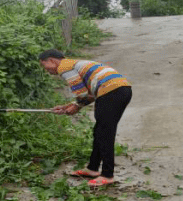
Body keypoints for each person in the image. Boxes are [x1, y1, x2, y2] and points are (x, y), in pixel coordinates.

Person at [38, 49, 132, 187]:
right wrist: (67, 106)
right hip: (118, 90)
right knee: (99, 132)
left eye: (44, 65)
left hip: (112, 92)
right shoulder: (74, 64)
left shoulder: (64, 66)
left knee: (105, 133)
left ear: (52, 60)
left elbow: (81, 94)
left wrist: (76, 106)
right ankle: (92, 168)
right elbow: (88, 95)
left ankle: (107, 175)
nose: (46, 70)